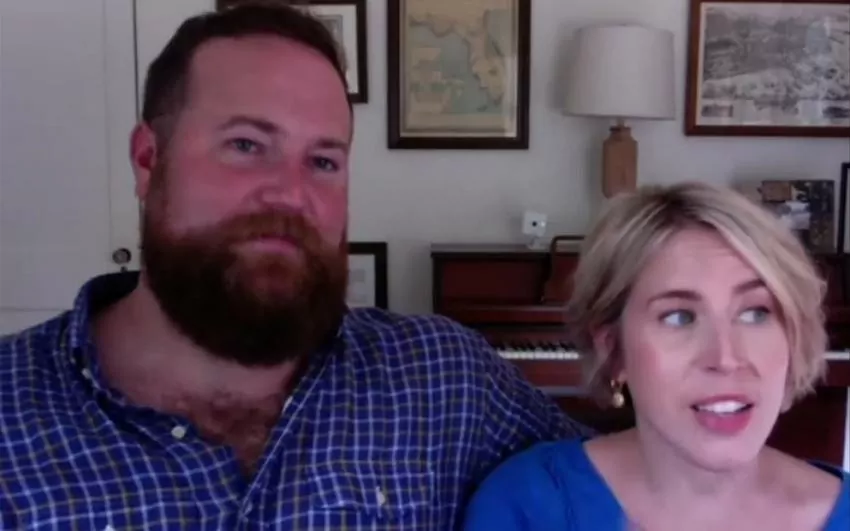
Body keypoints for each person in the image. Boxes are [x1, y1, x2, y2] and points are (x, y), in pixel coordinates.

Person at [0, 4, 589, 529]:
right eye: (247, 145)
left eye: (324, 161)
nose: (290, 195)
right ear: (149, 160)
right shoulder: (12, 412)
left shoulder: (446, 382)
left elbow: (625, 484)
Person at [463, 182, 850, 530]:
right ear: (613, 349)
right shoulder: (529, 505)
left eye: (755, 313)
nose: (726, 357)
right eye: (679, 317)